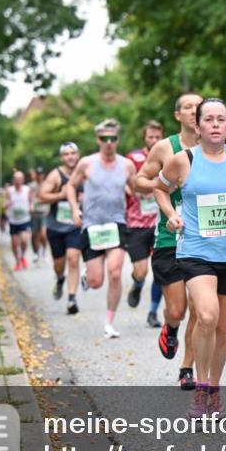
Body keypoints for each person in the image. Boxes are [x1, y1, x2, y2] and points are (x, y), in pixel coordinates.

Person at [154, 98, 226, 419]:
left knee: (222, 327)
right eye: (209, 120)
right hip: (195, 252)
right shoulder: (183, 159)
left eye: (221, 120)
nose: (215, 125)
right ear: (198, 126)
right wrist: (171, 213)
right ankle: (200, 387)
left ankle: (214, 389)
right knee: (206, 315)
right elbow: (159, 188)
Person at [133, 92, 202, 389]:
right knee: (178, 310)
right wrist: (165, 184)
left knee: (201, 310)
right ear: (178, 115)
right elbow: (140, 180)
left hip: (205, 240)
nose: (194, 111)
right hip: (170, 237)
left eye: (199, 107)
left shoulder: (216, 148)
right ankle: (170, 327)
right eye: (187, 107)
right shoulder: (165, 147)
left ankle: (187, 368)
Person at [67, 119, 136, 339]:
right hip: (92, 225)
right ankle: (89, 277)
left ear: (118, 139)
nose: (108, 143)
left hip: (117, 224)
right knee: (97, 282)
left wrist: (157, 191)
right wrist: (74, 209)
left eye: (113, 139)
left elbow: (136, 189)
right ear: (98, 139)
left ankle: (109, 322)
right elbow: (70, 185)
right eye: (104, 139)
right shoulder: (86, 163)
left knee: (115, 272)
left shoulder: (126, 165)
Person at [125, 121, 164, 318]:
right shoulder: (133, 158)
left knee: (160, 270)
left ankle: (153, 312)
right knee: (141, 271)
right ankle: (138, 284)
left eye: (158, 137)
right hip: (137, 222)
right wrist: (134, 192)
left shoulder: (168, 156)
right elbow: (122, 182)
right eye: (151, 137)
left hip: (160, 222)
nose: (154, 141)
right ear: (145, 138)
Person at [39, 142, 83, 315]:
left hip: (75, 225)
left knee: (73, 259)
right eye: (66, 154)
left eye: (73, 153)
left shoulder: (84, 172)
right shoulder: (56, 175)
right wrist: (61, 195)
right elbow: (41, 196)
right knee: (59, 264)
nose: (70, 156)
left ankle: (72, 298)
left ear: (78, 155)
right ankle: (59, 279)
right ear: (61, 158)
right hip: (56, 227)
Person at [3, 171, 33, 270]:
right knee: (15, 243)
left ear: (23, 180)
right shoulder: (9, 190)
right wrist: (6, 205)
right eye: (16, 179)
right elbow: (6, 202)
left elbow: (31, 201)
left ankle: (22, 257)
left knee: (24, 240)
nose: (18, 181)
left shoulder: (27, 189)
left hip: (25, 219)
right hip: (13, 220)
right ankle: (17, 261)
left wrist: (31, 207)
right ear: (13, 180)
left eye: (20, 179)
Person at [29, 168, 50, 262]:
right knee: (35, 235)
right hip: (34, 214)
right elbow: (30, 198)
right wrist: (31, 204)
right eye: (38, 174)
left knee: (43, 234)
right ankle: (35, 253)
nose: (39, 176)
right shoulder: (32, 186)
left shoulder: (47, 184)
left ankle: (44, 252)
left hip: (45, 213)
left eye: (41, 174)